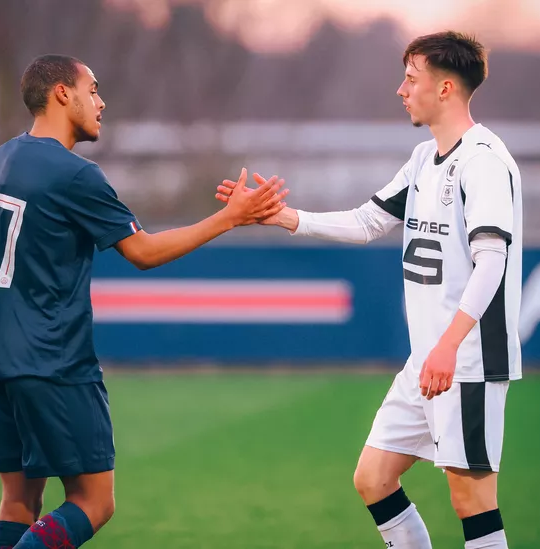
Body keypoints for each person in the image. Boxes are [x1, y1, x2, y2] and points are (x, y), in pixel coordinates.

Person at [0, 54, 287, 549]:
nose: (101, 102)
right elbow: (143, 252)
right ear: (62, 93)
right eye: (92, 89)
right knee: (94, 502)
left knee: (19, 500)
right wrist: (229, 218)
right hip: (50, 360)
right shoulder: (74, 174)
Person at [216, 31, 522, 549]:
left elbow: (493, 260)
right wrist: (285, 217)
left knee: (472, 501)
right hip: (427, 361)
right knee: (373, 478)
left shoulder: (484, 161)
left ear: (445, 88)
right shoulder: (424, 159)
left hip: (467, 361)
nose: (401, 90)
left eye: (411, 79)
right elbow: (367, 222)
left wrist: (449, 346)